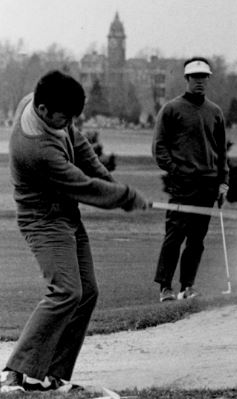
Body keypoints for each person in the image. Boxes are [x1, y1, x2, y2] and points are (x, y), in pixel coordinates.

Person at [0, 70, 148, 393]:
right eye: (63, 117)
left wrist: (114, 184)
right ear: (42, 111)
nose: (68, 123)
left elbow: (81, 148)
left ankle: (53, 374)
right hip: (43, 221)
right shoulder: (35, 149)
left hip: (66, 214)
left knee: (88, 292)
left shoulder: (47, 108)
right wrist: (125, 197)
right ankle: (15, 372)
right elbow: (80, 185)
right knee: (66, 291)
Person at [152, 57, 229, 302]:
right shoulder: (172, 109)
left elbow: (222, 152)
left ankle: (188, 286)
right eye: (195, 77)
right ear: (187, 79)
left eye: (204, 77)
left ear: (208, 79)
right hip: (183, 183)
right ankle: (165, 287)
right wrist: (175, 170)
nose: (200, 82)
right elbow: (159, 147)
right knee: (174, 235)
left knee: (197, 239)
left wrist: (223, 181)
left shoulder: (214, 111)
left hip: (208, 183)